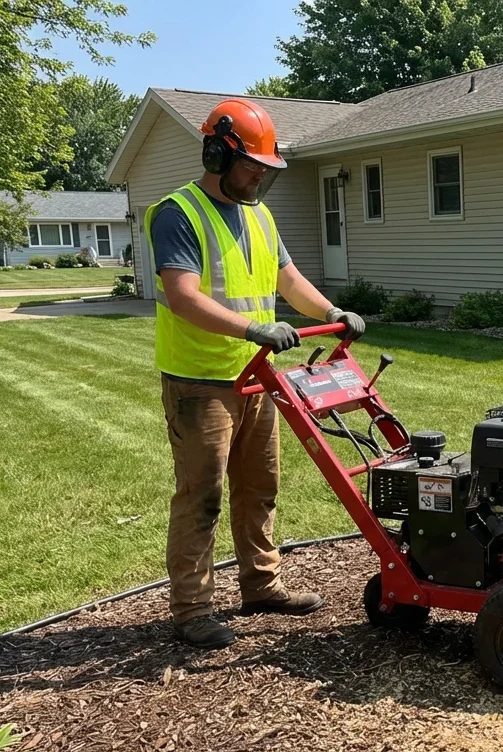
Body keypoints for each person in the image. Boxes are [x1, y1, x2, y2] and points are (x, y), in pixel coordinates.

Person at [144, 97, 366, 650]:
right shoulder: (178, 213)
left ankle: (260, 585)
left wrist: (332, 313)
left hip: (258, 377)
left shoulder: (260, 216)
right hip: (201, 381)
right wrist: (252, 329)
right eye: (252, 167)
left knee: (260, 487)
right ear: (217, 154)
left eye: (267, 171)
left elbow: (289, 282)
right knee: (203, 495)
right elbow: (182, 297)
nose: (259, 180)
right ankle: (192, 609)